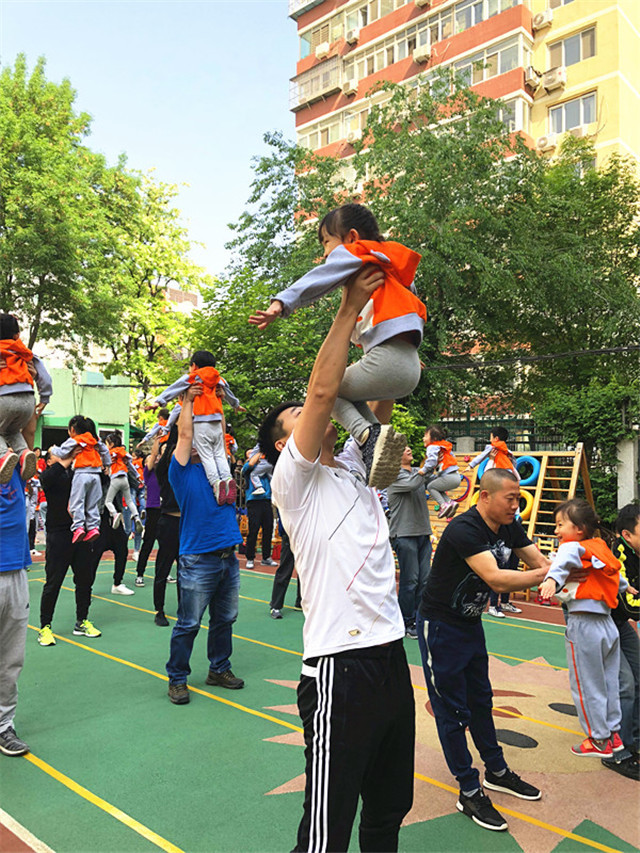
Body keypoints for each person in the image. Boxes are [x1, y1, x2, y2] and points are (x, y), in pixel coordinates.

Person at [260, 264, 415, 853]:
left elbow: (379, 404)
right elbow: (325, 392)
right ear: (284, 443)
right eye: (298, 415)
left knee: (388, 811)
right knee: (326, 832)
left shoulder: (355, 465)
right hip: (338, 669)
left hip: (390, 655)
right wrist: (348, 305)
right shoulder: (293, 482)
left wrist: (384, 318)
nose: (315, 411)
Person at [249, 203, 422, 489]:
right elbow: (410, 304)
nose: (326, 254)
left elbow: (318, 278)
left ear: (351, 237)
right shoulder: (391, 261)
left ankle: (368, 434)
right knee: (345, 391)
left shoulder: (357, 252)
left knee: (329, 389)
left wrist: (281, 302)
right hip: (409, 365)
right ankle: (376, 438)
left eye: (327, 242)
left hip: (387, 362)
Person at [417, 468, 550, 832]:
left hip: (470, 624)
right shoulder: (465, 529)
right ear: (485, 496)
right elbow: (496, 578)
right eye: (510, 498)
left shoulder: (509, 526)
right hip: (441, 626)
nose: (516, 504)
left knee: (480, 700)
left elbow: (538, 561)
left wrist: (560, 570)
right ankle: (469, 789)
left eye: (518, 497)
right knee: (451, 710)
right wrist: (546, 577)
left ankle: (497, 770)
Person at [165, 385, 244, 704]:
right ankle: (177, 678)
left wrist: (217, 401)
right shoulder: (181, 471)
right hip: (198, 558)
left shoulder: (220, 466)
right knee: (189, 623)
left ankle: (219, 668)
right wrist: (187, 400)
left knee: (225, 619)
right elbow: (185, 435)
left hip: (228, 557)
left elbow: (218, 431)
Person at [538, 498, 632, 758]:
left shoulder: (571, 547)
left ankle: (598, 739)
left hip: (584, 623)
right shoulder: (599, 546)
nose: (556, 530)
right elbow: (615, 575)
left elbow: (561, 563)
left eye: (560, 524)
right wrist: (628, 587)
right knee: (609, 681)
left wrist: (551, 580)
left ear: (578, 528)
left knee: (586, 684)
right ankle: (613, 733)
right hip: (607, 625)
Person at [149, 351, 241, 505]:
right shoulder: (219, 379)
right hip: (217, 422)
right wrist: (236, 405)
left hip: (201, 422)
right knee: (220, 452)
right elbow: (229, 394)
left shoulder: (195, 377)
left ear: (194, 365)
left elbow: (175, 388)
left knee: (207, 455)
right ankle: (227, 478)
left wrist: (159, 401)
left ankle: (216, 483)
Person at [37, 446, 101, 645]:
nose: (63, 454)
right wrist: (68, 458)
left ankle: (81, 621)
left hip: (79, 533)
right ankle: (45, 627)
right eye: (56, 454)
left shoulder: (77, 474)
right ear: (49, 461)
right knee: (53, 582)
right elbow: (45, 479)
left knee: (84, 580)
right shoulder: (50, 476)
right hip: (58, 535)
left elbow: (97, 482)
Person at [602, 503, 640, 779]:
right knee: (625, 685)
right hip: (599, 623)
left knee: (639, 674)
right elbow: (628, 604)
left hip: (618, 622)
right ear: (627, 535)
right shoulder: (618, 555)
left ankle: (634, 739)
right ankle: (617, 751)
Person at [0, 465, 31, 756]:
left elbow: (26, 439)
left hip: (15, 569)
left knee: (11, 659)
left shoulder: (15, 469)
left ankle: (3, 724)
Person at [387, 445, 432, 639]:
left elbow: (435, 481)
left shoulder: (416, 472)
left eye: (408, 447)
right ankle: (405, 621)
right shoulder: (393, 476)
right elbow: (413, 484)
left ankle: (419, 618)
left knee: (425, 580)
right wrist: (426, 468)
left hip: (423, 532)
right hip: (404, 534)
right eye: (403, 448)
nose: (408, 449)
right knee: (410, 580)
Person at [0, 313, 51, 484]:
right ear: (17, 335)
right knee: (11, 431)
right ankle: (24, 453)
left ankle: (3, 455)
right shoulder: (25, 353)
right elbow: (45, 378)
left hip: (3, 398)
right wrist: (44, 398)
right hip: (28, 399)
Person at [52, 415, 111, 544]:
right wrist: (107, 464)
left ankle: (78, 527)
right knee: (93, 503)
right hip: (96, 475)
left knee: (77, 501)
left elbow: (62, 452)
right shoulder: (95, 440)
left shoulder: (76, 440)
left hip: (81, 473)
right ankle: (93, 527)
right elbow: (106, 452)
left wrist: (53, 449)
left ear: (73, 430)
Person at [242, 448, 276, 570]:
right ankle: (250, 558)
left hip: (266, 500)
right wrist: (260, 451)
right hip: (254, 501)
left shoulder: (264, 467)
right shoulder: (248, 467)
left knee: (268, 529)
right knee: (254, 530)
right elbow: (251, 463)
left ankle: (266, 557)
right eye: (250, 453)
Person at [135, 438, 162, 587]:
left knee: (166, 546)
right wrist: (156, 441)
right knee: (148, 544)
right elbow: (153, 457)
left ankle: (164, 573)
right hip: (153, 511)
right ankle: (140, 574)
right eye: (150, 459)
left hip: (165, 511)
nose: (154, 459)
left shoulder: (164, 472)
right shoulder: (148, 473)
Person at [419, 425, 462, 519]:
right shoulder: (443, 446)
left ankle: (443, 505)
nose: (423, 438)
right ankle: (450, 502)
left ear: (433, 439)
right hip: (456, 476)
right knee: (438, 488)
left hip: (448, 477)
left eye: (425, 436)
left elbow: (431, 461)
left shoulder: (432, 447)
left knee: (430, 487)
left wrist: (424, 470)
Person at [104, 431, 143, 533]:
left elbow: (102, 462)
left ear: (111, 444)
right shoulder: (122, 452)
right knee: (129, 501)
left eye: (106, 443)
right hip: (125, 479)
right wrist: (137, 476)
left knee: (108, 501)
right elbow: (130, 464)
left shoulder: (109, 453)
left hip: (115, 480)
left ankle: (115, 514)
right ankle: (137, 517)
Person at [269, 519, 301, 619]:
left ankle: (301, 602)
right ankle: (275, 606)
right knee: (285, 570)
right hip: (289, 534)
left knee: (305, 570)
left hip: (304, 535)